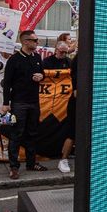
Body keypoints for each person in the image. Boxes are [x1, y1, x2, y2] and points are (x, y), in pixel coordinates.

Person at [0, 29, 46, 180]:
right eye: (35, 40)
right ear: (25, 41)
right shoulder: (14, 60)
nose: (37, 43)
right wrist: (6, 103)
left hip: (34, 101)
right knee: (16, 134)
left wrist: (41, 76)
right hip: (19, 102)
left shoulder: (37, 57)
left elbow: (42, 74)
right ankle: (14, 167)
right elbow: (6, 83)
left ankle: (31, 163)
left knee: (32, 133)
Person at [42, 37, 76, 174]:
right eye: (61, 52)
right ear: (56, 50)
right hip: (49, 101)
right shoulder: (47, 62)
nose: (63, 55)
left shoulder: (69, 62)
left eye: (65, 53)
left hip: (63, 100)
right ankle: (63, 158)